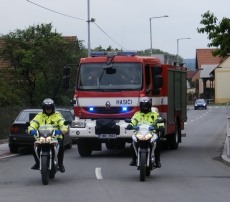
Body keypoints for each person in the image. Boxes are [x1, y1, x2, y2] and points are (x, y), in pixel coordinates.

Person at [28, 98, 68, 173]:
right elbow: (33, 123)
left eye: (50, 108)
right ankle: (37, 163)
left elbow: (62, 122)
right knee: (34, 147)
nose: (48, 109)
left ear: (53, 108)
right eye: (46, 108)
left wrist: (64, 129)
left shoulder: (57, 115)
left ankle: (60, 164)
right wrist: (30, 129)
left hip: (55, 137)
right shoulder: (39, 115)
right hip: (41, 137)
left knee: (61, 148)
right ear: (44, 108)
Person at [127, 97, 164, 168]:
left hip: (151, 133)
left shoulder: (154, 114)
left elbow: (158, 120)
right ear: (141, 106)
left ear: (150, 105)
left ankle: (157, 161)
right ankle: (134, 159)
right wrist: (130, 125)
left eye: (146, 105)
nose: (145, 107)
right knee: (132, 144)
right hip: (139, 133)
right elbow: (133, 120)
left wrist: (160, 126)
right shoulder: (137, 114)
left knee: (158, 143)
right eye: (143, 106)